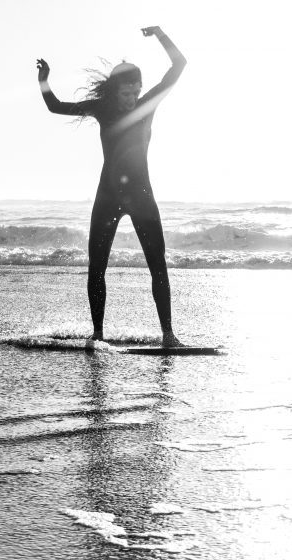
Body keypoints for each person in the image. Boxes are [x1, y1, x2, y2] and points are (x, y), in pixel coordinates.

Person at [36, 26, 186, 348]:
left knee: (157, 264)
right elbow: (55, 106)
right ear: (114, 91)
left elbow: (179, 65)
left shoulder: (148, 105)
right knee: (97, 267)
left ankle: (168, 335)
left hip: (142, 196)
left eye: (136, 91)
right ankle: (97, 334)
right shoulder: (101, 111)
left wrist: (160, 34)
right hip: (108, 196)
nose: (132, 99)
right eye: (126, 93)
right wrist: (44, 79)